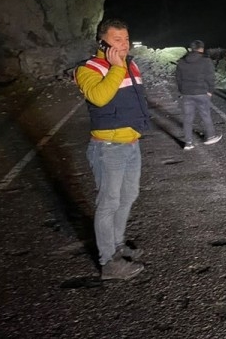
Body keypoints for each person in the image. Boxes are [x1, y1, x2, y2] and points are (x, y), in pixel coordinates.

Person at [74, 18, 148, 280]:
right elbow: (99, 97)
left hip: (131, 144)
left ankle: (117, 245)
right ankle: (109, 263)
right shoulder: (88, 68)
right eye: (117, 40)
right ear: (102, 42)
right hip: (108, 148)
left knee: (128, 196)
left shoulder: (131, 64)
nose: (124, 45)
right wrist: (116, 68)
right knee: (108, 203)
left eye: (126, 39)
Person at [176, 40, 223, 150]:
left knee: (188, 118)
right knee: (205, 115)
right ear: (201, 49)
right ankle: (210, 137)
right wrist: (211, 90)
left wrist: (182, 90)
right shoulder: (206, 61)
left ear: (191, 49)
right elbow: (210, 77)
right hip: (202, 93)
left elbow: (178, 79)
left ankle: (188, 143)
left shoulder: (182, 62)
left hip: (187, 93)